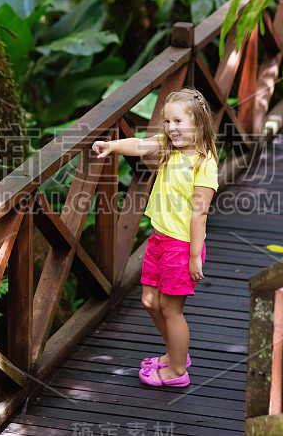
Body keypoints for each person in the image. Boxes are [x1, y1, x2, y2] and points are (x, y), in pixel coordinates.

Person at [92, 88, 218, 388]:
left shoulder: (204, 164)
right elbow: (138, 145)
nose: (171, 128)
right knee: (150, 301)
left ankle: (177, 371)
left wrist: (193, 256)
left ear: (199, 123)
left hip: (182, 245)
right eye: (167, 122)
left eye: (178, 121)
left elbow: (199, 214)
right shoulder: (169, 147)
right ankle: (177, 353)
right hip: (159, 241)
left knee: (171, 310)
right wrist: (112, 146)